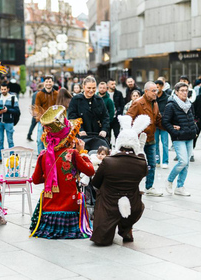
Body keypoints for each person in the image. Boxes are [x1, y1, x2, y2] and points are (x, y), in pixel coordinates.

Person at [29, 106, 95, 239]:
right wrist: (83, 152)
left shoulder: (43, 155)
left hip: (49, 209)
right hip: (70, 207)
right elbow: (90, 170)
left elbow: (35, 180)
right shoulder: (73, 154)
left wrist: (50, 176)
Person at [90, 114, 150, 246]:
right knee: (136, 203)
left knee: (101, 240)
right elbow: (144, 171)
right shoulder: (141, 163)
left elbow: (95, 183)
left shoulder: (108, 161)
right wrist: (140, 150)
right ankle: (126, 228)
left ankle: (106, 231)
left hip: (108, 203)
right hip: (131, 204)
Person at [127, 81, 164, 196]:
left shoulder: (155, 103)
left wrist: (170, 127)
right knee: (136, 165)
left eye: (156, 91)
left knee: (152, 164)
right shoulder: (138, 103)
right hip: (138, 140)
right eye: (153, 91)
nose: (155, 93)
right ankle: (133, 187)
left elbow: (158, 120)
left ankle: (149, 187)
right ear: (146, 91)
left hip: (151, 138)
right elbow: (128, 118)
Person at [162, 82, 197, 196]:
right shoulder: (171, 105)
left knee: (186, 164)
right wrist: (174, 132)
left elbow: (193, 118)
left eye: (186, 90)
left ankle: (180, 187)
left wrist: (194, 130)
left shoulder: (190, 104)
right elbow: (165, 122)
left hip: (189, 137)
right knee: (183, 161)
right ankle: (169, 181)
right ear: (176, 92)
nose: (184, 93)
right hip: (179, 138)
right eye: (182, 90)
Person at [0, 82, 19, 162]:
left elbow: (17, 111)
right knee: (0, 141)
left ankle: (12, 157)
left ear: (8, 89)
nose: (3, 91)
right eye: (2, 89)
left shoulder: (13, 98)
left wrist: (7, 110)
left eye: (5, 89)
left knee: (10, 140)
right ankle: (0, 157)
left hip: (9, 122)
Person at [34, 75, 58, 154]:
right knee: (40, 139)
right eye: (47, 82)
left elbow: (58, 107)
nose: (48, 83)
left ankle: (50, 156)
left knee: (52, 140)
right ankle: (40, 156)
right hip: (42, 120)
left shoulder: (56, 94)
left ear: (53, 83)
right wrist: (40, 118)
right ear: (44, 83)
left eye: (50, 82)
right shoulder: (39, 94)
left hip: (53, 121)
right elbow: (37, 107)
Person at [154, 80, 169, 169]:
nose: (156, 89)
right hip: (155, 124)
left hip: (164, 124)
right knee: (155, 143)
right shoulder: (153, 97)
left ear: (162, 87)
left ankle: (165, 161)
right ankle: (157, 160)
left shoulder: (167, 98)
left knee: (165, 143)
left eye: (158, 87)